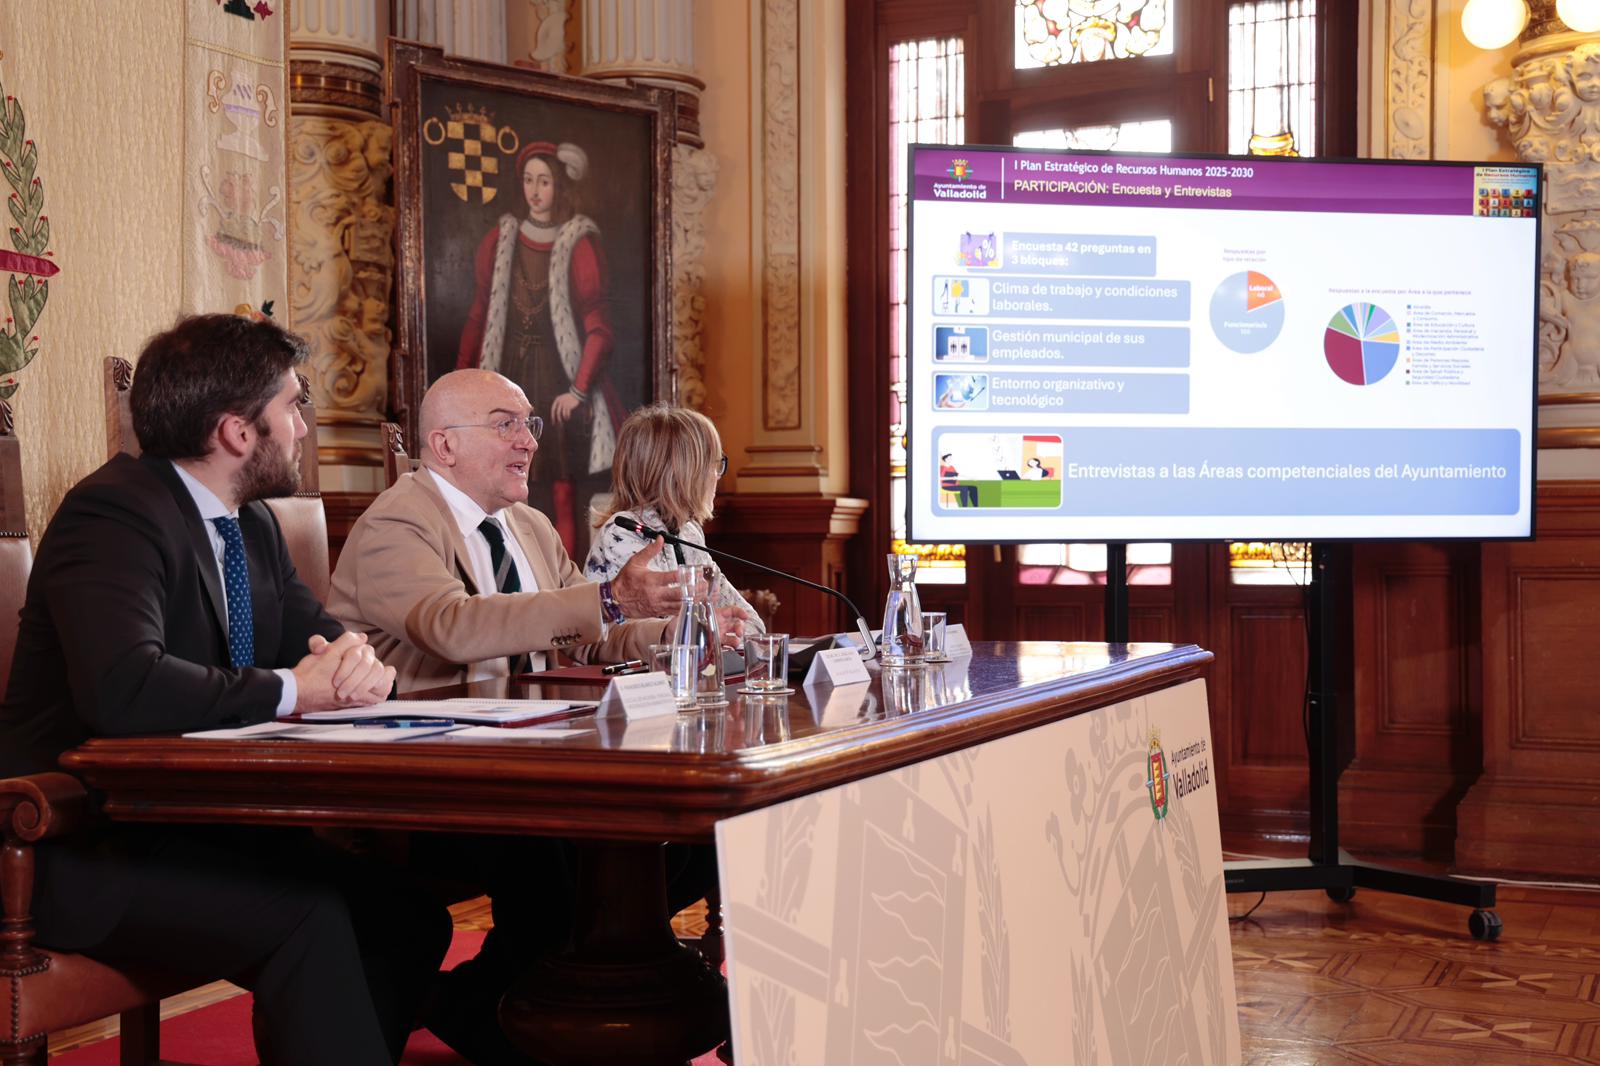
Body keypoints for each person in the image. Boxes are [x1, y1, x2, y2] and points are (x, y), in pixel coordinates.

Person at [0, 313, 449, 1066]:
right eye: (293, 406)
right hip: (79, 849)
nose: (302, 428)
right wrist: (294, 690)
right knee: (310, 918)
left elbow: (327, 643)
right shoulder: (113, 513)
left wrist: (361, 668)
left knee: (408, 916)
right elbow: (124, 689)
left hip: (200, 828)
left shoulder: (252, 526)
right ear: (237, 432)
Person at [327, 368, 703, 1066]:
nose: (529, 440)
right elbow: (451, 626)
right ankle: (503, 1013)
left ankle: (506, 1000)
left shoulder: (527, 526)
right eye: (506, 424)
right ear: (444, 445)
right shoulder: (397, 521)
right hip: (423, 775)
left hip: (530, 759)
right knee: (561, 858)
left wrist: (681, 633)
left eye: (529, 424)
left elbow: (590, 633)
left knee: (684, 839)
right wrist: (608, 600)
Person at [457, 139, 619, 559]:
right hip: (511, 370)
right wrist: (461, 381)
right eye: (529, 180)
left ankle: (561, 579)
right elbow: (479, 314)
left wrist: (578, 390)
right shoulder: (501, 239)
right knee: (509, 487)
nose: (535, 190)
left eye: (544, 181)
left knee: (561, 489)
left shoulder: (577, 241)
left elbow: (599, 327)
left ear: (558, 186)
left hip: (556, 377)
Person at [585, 403, 764, 634]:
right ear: (684, 473)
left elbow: (752, 624)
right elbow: (661, 637)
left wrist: (722, 631)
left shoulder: (689, 532)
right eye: (714, 465)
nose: (717, 476)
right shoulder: (622, 531)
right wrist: (713, 630)